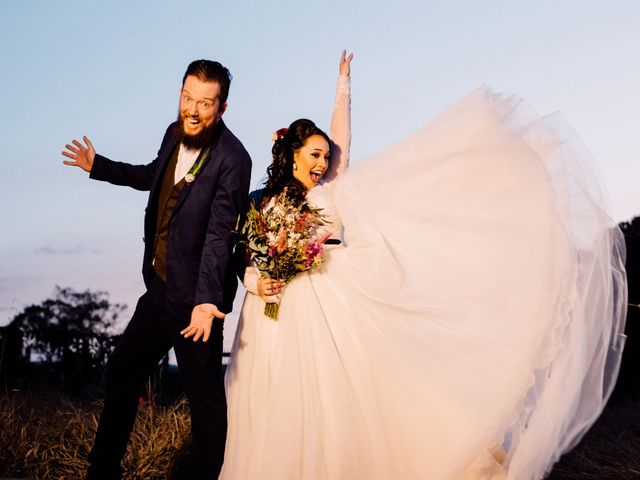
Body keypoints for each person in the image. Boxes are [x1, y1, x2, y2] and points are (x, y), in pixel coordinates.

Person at [221, 51, 627, 479]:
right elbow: (245, 259)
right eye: (315, 155)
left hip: (329, 304)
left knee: (343, 396)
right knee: (274, 401)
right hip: (274, 313)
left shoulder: (331, 191)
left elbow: (342, 136)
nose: (323, 163)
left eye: (326, 157)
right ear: (294, 153)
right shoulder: (260, 201)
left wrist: (343, 82)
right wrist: (257, 283)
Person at [61, 60, 251, 479]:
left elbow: (222, 235)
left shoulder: (234, 158)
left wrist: (206, 302)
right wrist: (100, 166)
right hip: (161, 288)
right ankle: (103, 470)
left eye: (205, 102)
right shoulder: (173, 131)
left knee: (203, 399)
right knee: (122, 374)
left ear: (222, 107)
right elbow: (154, 176)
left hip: (197, 303)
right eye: (187, 98)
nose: (193, 109)